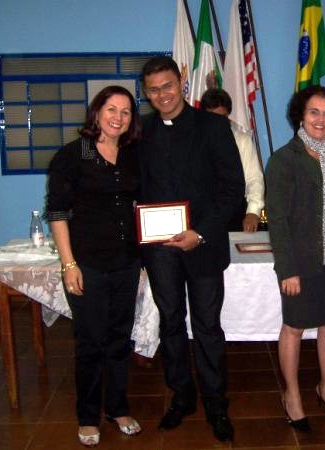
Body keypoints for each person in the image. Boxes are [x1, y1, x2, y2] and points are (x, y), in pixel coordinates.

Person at [137, 56, 245, 442]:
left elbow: (234, 190)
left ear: (182, 82)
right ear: (145, 92)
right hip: (159, 249)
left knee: (207, 327)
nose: (162, 95)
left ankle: (216, 404)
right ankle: (181, 396)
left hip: (203, 244)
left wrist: (200, 232)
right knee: (170, 323)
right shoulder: (141, 131)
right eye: (153, 89)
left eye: (167, 85)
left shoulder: (214, 127)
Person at [46, 85, 143, 447]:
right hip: (87, 263)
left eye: (126, 111)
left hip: (127, 262)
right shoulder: (72, 156)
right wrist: (69, 263)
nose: (118, 117)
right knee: (90, 341)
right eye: (111, 109)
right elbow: (57, 212)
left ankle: (117, 408)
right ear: (97, 112)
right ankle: (88, 415)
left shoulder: (134, 155)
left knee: (119, 338)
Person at [266, 85, 325, 432]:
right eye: (313, 112)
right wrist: (286, 269)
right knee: (294, 327)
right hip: (301, 262)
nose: (321, 119)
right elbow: (277, 219)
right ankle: (291, 394)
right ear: (300, 116)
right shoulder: (285, 158)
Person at [200, 88, 265, 232]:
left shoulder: (241, 140)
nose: (216, 123)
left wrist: (253, 211)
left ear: (228, 115)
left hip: (233, 213)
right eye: (212, 118)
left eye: (221, 118)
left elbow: (254, 179)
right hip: (202, 214)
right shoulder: (194, 140)